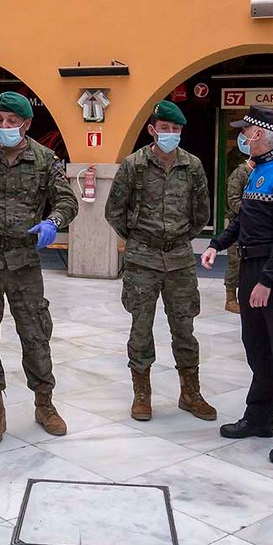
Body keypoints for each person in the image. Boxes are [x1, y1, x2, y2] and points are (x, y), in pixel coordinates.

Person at [0, 91, 79, 443]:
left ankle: (44, 403)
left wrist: (53, 221)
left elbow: (67, 200)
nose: (4, 126)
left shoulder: (44, 159)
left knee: (35, 333)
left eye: (11, 121)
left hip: (24, 261)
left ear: (26, 124)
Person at [199, 106, 273, 465]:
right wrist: (217, 243)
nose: (243, 137)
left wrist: (267, 281)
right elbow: (242, 220)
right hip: (250, 267)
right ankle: (259, 418)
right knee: (257, 348)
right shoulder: (256, 171)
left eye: (246, 131)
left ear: (260, 134)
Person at [105, 100, 216, 422]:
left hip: (180, 259)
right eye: (165, 128)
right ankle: (142, 394)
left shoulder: (192, 166)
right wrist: (142, 239)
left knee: (185, 328)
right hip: (142, 260)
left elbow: (202, 213)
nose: (170, 134)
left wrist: (176, 239)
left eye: (176, 129)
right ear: (152, 130)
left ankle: (190, 392)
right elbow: (114, 211)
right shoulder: (134, 165)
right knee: (141, 328)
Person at [223, 148, 254, 314]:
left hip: (255, 228)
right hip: (239, 225)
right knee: (235, 262)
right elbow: (233, 200)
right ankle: (230, 299)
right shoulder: (240, 173)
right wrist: (252, 211)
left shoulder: (262, 172)